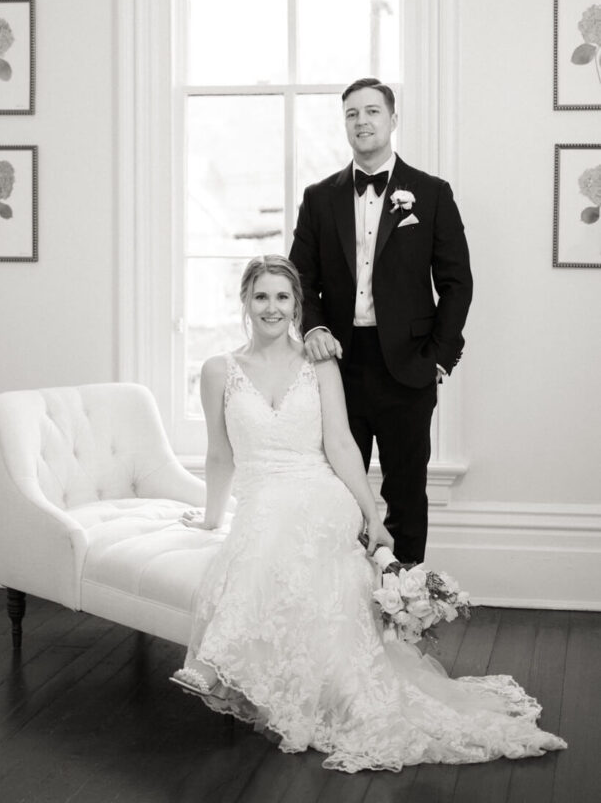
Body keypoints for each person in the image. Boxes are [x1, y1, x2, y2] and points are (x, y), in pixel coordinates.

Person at [170, 255, 565, 774]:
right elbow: (219, 453)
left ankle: (210, 662)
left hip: (321, 490)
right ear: (244, 301)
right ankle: (265, 671)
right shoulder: (219, 369)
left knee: (288, 518)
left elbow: (340, 443)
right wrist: (209, 517)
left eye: (282, 297)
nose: (271, 307)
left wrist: (371, 513)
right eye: (261, 296)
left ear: (296, 305)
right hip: (263, 494)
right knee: (269, 520)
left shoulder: (318, 363)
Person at [289, 78, 473, 565]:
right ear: (344, 124)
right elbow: (299, 278)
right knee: (338, 490)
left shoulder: (431, 194)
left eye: (372, 111)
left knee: (406, 492)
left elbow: (457, 283)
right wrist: (313, 328)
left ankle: (406, 611)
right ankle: (345, 607)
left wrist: (440, 358)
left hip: (409, 366)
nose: (362, 121)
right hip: (339, 367)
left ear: (393, 119)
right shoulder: (318, 197)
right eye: (352, 114)